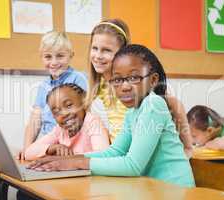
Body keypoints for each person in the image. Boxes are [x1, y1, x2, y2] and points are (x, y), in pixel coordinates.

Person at [28, 44, 195, 188]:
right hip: (152, 189)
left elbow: (132, 165)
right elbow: (115, 151)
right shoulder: (133, 112)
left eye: (133, 77)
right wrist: (69, 160)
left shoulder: (153, 104)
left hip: (174, 190)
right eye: (117, 80)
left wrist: (77, 163)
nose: (125, 87)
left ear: (153, 80)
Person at [87, 19, 193, 155]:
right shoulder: (98, 88)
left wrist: (188, 146)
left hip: (143, 156)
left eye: (106, 50)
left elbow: (174, 104)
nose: (98, 56)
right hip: (121, 155)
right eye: (94, 48)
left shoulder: (138, 82)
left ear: (122, 53)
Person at [18, 31, 87, 160]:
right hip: (48, 146)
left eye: (60, 56)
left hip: (70, 146)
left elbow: (85, 117)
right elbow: (35, 119)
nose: (54, 62)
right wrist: (27, 149)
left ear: (71, 55)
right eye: (48, 57)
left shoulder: (79, 79)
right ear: (41, 57)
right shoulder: (43, 86)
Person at [24, 83, 109, 160]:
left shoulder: (93, 122)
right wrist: (51, 148)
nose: (64, 114)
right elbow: (28, 153)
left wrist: (68, 159)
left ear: (84, 103)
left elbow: (103, 154)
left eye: (69, 105)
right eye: (56, 112)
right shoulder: (59, 130)